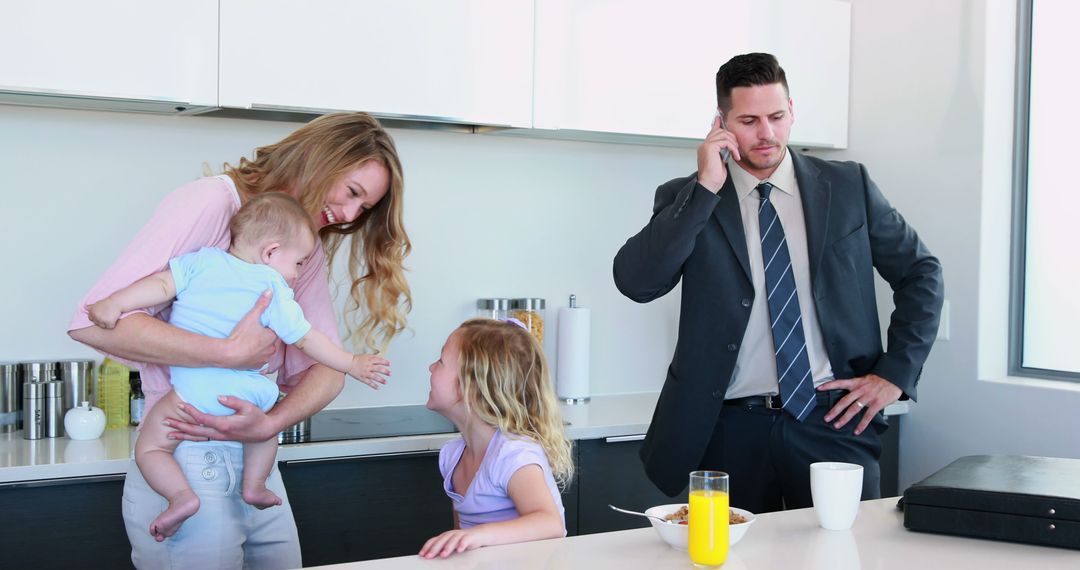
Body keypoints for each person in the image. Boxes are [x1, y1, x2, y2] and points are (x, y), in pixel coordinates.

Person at [68, 112, 411, 568]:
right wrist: (225, 352)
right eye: (351, 193)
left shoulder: (299, 251)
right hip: (184, 450)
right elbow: (91, 320)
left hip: (257, 462)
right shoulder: (210, 203)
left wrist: (271, 424)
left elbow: (323, 366)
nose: (349, 216)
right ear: (319, 161)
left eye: (364, 209)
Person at [612, 53, 944, 514]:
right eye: (748, 120)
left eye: (777, 116)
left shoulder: (848, 186)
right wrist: (706, 187)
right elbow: (637, 281)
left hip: (833, 418)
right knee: (728, 561)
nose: (766, 133)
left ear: (792, 111)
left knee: (839, 555)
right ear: (721, 123)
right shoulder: (687, 197)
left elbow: (921, 273)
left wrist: (895, 374)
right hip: (728, 430)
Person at [87, 192, 392, 542]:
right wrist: (352, 362)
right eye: (298, 263)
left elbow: (158, 286)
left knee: (151, 448)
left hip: (194, 392)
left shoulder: (200, 263)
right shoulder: (274, 288)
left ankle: (181, 497)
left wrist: (113, 303)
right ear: (271, 252)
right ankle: (255, 485)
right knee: (263, 432)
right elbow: (308, 339)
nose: (297, 274)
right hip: (251, 392)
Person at [419, 318, 573, 559]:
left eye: (440, 361)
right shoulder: (452, 456)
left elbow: (550, 524)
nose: (431, 367)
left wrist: (477, 536)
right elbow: (463, 535)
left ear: (472, 387)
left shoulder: (512, 455)